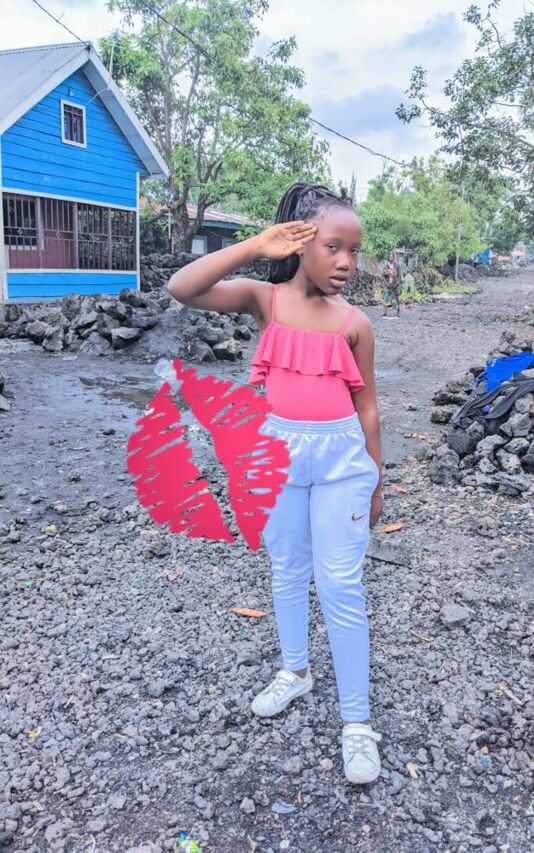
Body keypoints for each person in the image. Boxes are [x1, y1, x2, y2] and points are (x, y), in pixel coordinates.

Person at [167, 182, 384, 785]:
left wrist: (376, 480)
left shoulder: (355, 324)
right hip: (280, 459)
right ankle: (296, 671)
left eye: (354, 251)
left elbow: (368, 408)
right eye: (333, 247)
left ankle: (357, 722)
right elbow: (182, 287)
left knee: (340, 584)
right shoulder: (264, 300)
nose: (346, 262)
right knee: (287, 567)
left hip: (342, 465)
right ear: (299, 242)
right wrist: (257, 245)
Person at [381, 253, 401, 317]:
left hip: (395, 284)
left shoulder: (397, 265)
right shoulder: (386, 265)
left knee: (397, 298)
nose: (390, 259)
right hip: (388, 284)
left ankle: (398, 311)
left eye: (391, 257)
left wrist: (396, 283)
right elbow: (383, 275)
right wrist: (386, 283)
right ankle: (384, 312)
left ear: (394, 258)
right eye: (389, 257)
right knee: (386, 298)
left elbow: (399, 276)